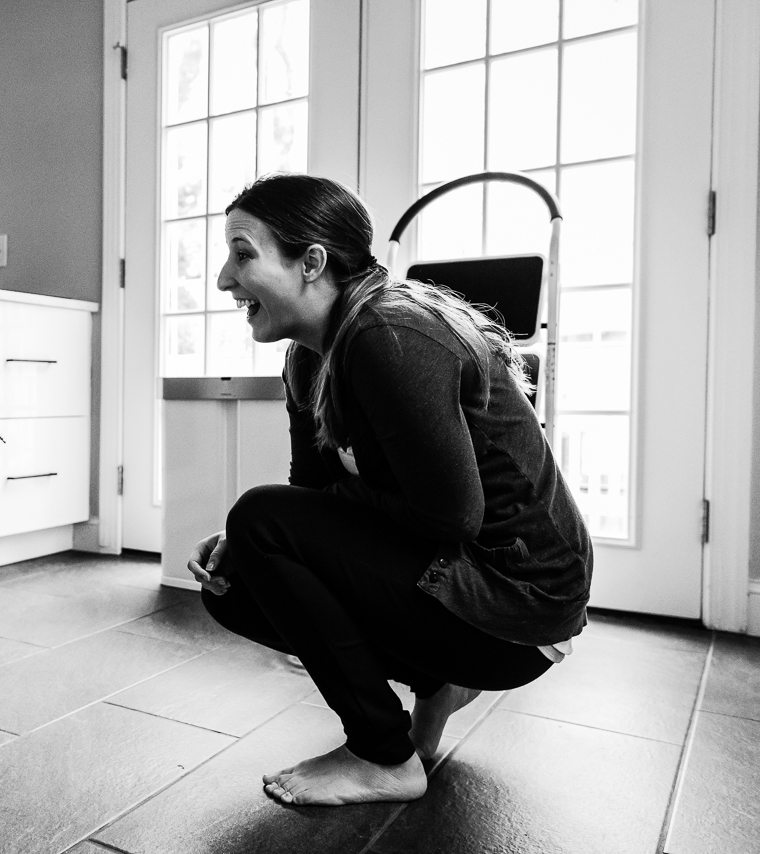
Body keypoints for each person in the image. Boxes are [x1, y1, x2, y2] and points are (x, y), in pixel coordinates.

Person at [187, 174, 592, 807]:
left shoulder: (389, 336)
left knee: (259, 520)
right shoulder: (309, 354)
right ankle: (437, 685)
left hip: (520, 607)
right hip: (459, 581)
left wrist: (272, 527)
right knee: (235, 580)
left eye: (244, 254)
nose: (224, 279)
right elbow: (314, 490)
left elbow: (452, 516)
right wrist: (248, 541)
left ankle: (383, 756)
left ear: (312, 262)